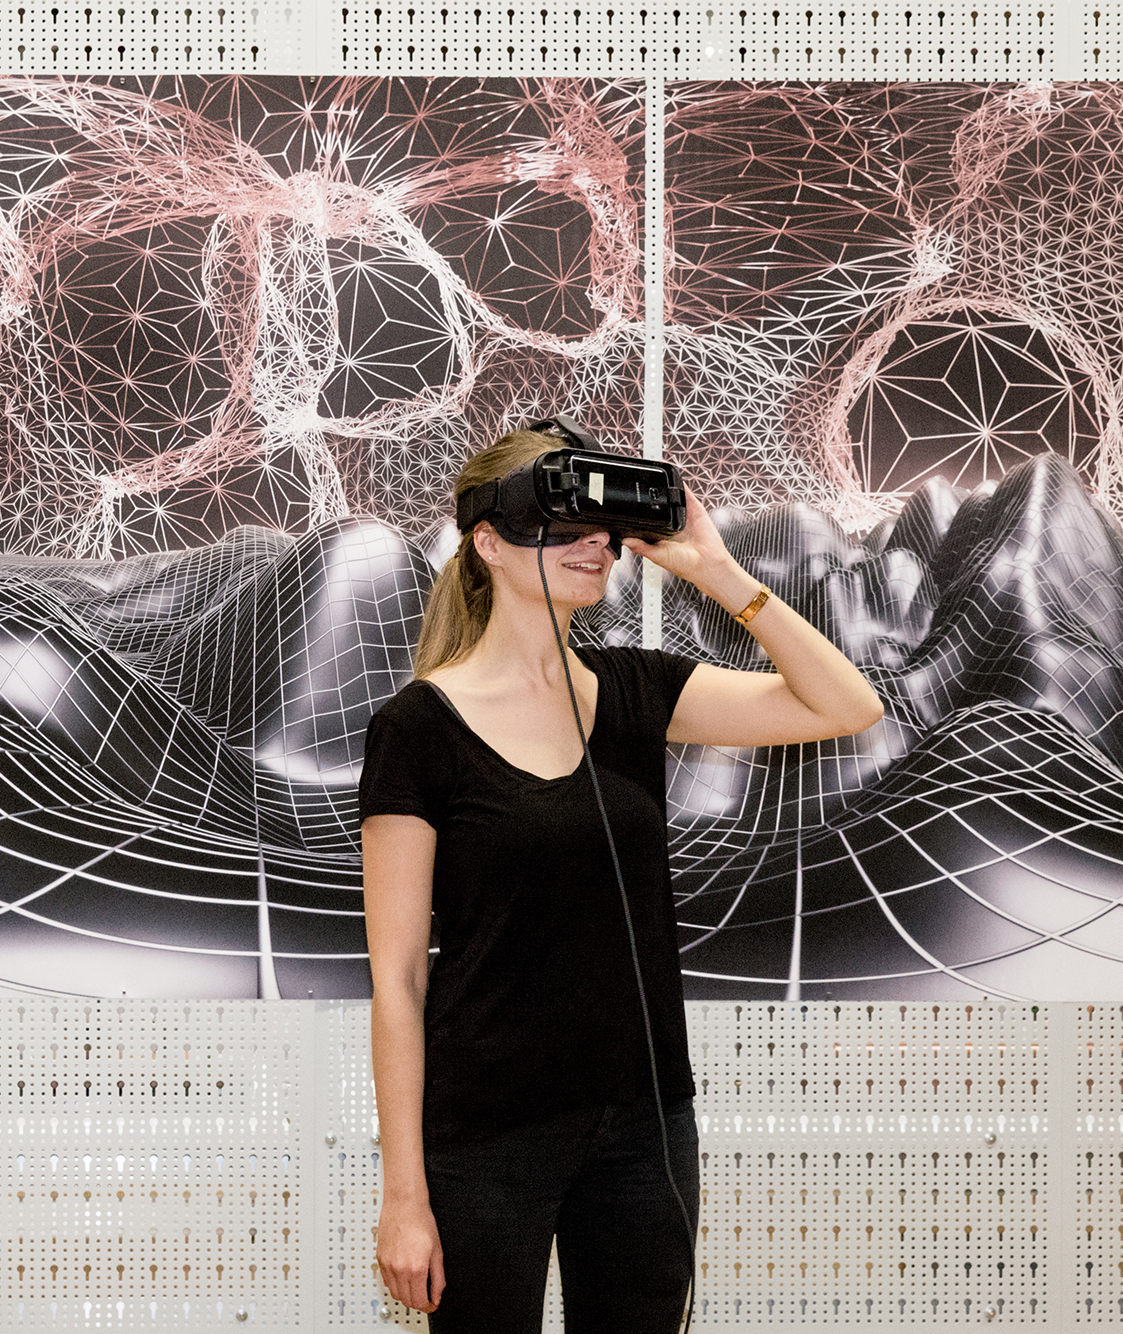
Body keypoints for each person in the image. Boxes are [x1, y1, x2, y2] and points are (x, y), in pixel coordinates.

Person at [358, 429, 883, 1333]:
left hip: (645, 1129)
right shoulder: (418, 727)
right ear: (488, 540)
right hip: (487, 1136)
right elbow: (399, 982)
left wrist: (715, 570)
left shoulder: (639, 689)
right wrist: (404, 1198)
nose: (594, 542)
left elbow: (845, 704)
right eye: (564, 523)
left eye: (603, 528)